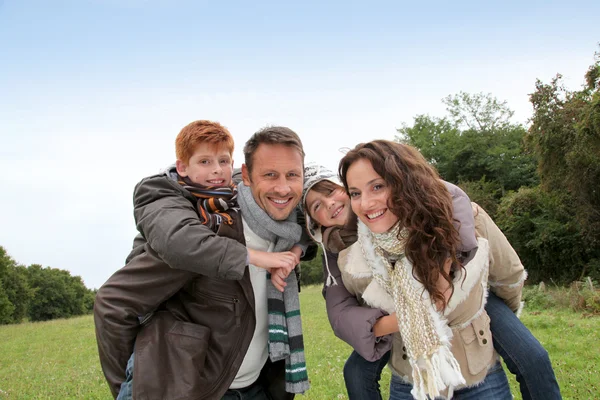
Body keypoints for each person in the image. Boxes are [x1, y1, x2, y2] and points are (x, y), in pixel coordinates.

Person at [302, 154, 561, 399]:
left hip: (460, 291)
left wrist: (453, 286)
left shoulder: (407, 204)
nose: (330, 203)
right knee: (356, 373)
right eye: (317, 206)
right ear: (314, 221)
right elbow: (341, 314)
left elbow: (451, 199)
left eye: (331, 191)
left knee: (532, 357)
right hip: (395, 317)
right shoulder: (335, 252)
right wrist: (407, 316)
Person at [94, 122, 310, 400]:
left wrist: (296, 251)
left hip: (259, 387)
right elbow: (113, 303)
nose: (282, 188)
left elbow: (323, 210)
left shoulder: (287, 228)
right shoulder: (201, 230)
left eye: (292, 175)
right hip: (199, 391)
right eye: (269, 175)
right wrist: (137, 384)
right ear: (247, 176)